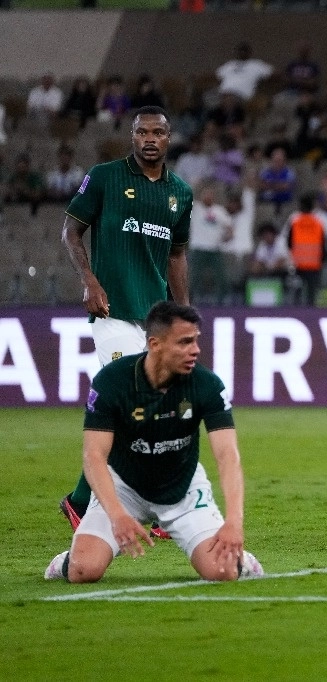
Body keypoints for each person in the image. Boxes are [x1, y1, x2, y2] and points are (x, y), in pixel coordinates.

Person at [44, 302, 263, 583]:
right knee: (83, 571)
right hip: (122, 486)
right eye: (184, 342)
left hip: (182, 488)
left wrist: (234, 521)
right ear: (155, 344)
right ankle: (68, 560)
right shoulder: (112, 381)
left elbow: (227, 456)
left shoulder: (207, 384)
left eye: (195, 340)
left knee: (221, 572)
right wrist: (117, 514)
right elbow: (94, 456)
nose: (195, 349)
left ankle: (241, 561)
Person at [58, 105, 193, 536]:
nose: (149, 139)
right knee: (136, 403)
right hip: (112, 311)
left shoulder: (180, 193)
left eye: (158, 132)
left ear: (169, 138)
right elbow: (70, 230)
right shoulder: (105, 177)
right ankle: (118, 505)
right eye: (141, 132)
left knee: (143, 411)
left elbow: (176, 254)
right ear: (131, 136)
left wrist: (183, 315)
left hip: (153, 318)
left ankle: (82, 500)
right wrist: (89, 281)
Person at [286, 192, 327, 306]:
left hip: (298, 265)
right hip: (314, 265)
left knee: (296, 293)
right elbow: (323, 245)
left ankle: (296, 312)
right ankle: (311, 315)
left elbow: (289, 243)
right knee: (311, 294)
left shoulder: (295, 223)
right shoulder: (318, 223)